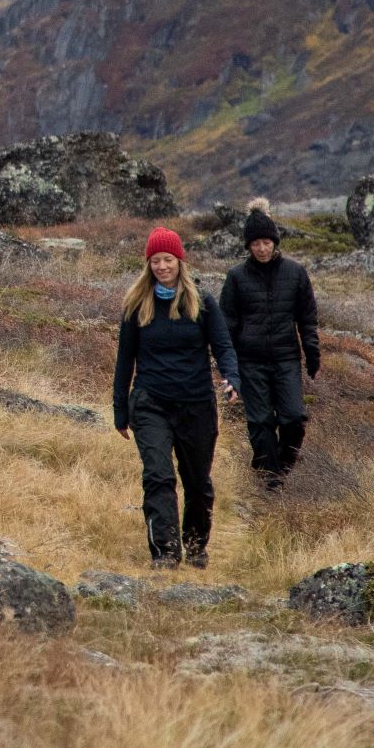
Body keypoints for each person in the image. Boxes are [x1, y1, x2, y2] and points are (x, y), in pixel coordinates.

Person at [113, 227, 241, 568]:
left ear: (179, 261)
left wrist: (232, 378)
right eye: (155, 261)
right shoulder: (136, 304)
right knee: (159, 476)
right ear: (148, 264)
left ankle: (196, 545)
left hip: (196, 404)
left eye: (167, 259)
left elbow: (223, 347)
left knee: (197, 483)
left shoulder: (201, 302)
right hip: (150, 402)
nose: (161, 266)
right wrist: (119, 410)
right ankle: (165, 554)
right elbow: (125, 360)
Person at [219, 198, 321, 485]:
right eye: (256, 243)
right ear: (248, 246)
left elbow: (307, 317)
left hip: (286, 358)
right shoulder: (236, 278)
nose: (262, 248)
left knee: (293, 418)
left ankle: (283, 464)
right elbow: (225, 324)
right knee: (260, 421)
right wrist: (228, 367)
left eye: (266, 242)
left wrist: (312, 354)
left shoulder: (295, 273)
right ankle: (271, 478)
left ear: (275, 242)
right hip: (250, 361)